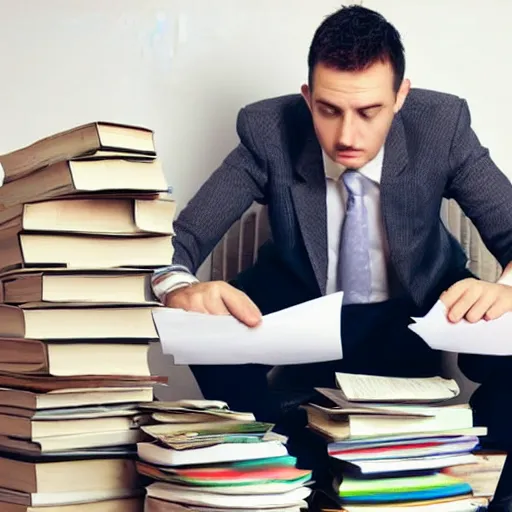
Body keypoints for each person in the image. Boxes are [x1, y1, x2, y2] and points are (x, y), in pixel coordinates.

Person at [152, 5, 512, 509]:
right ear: (307, 98)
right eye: (328, 110)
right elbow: (176, 240)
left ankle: (477, 472)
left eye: (369, 112)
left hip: (417, 310)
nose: (347, 136)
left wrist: (504, 287)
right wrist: (182, 287)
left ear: (400, 97)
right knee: (202, 333)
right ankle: (297, 478)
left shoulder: (442, 125)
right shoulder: (268, 130)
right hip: (301, 309)